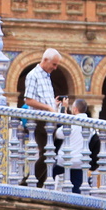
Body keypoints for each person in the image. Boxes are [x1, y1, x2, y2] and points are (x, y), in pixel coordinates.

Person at [23, 48, 62, 187]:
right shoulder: (33, 75)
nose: (55, 68)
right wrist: (48, 108)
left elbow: (44, 100)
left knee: (50, 155)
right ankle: (26, 184)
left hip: (49, 120)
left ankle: (38, 186)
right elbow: (29, 100)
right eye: (54, 64)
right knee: (48, 154)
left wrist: (54, 105)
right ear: (45, 60)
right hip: (39, 120)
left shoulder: (47, 76)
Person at [53, 98, 94, 195]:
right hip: (80, 161)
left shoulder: (72, 122)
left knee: (49, 172)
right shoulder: (91, 125)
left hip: (65, 159)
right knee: (76, 189)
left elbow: (58, 133)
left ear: (75, 109)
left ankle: (47, 193)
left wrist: (63, 111)